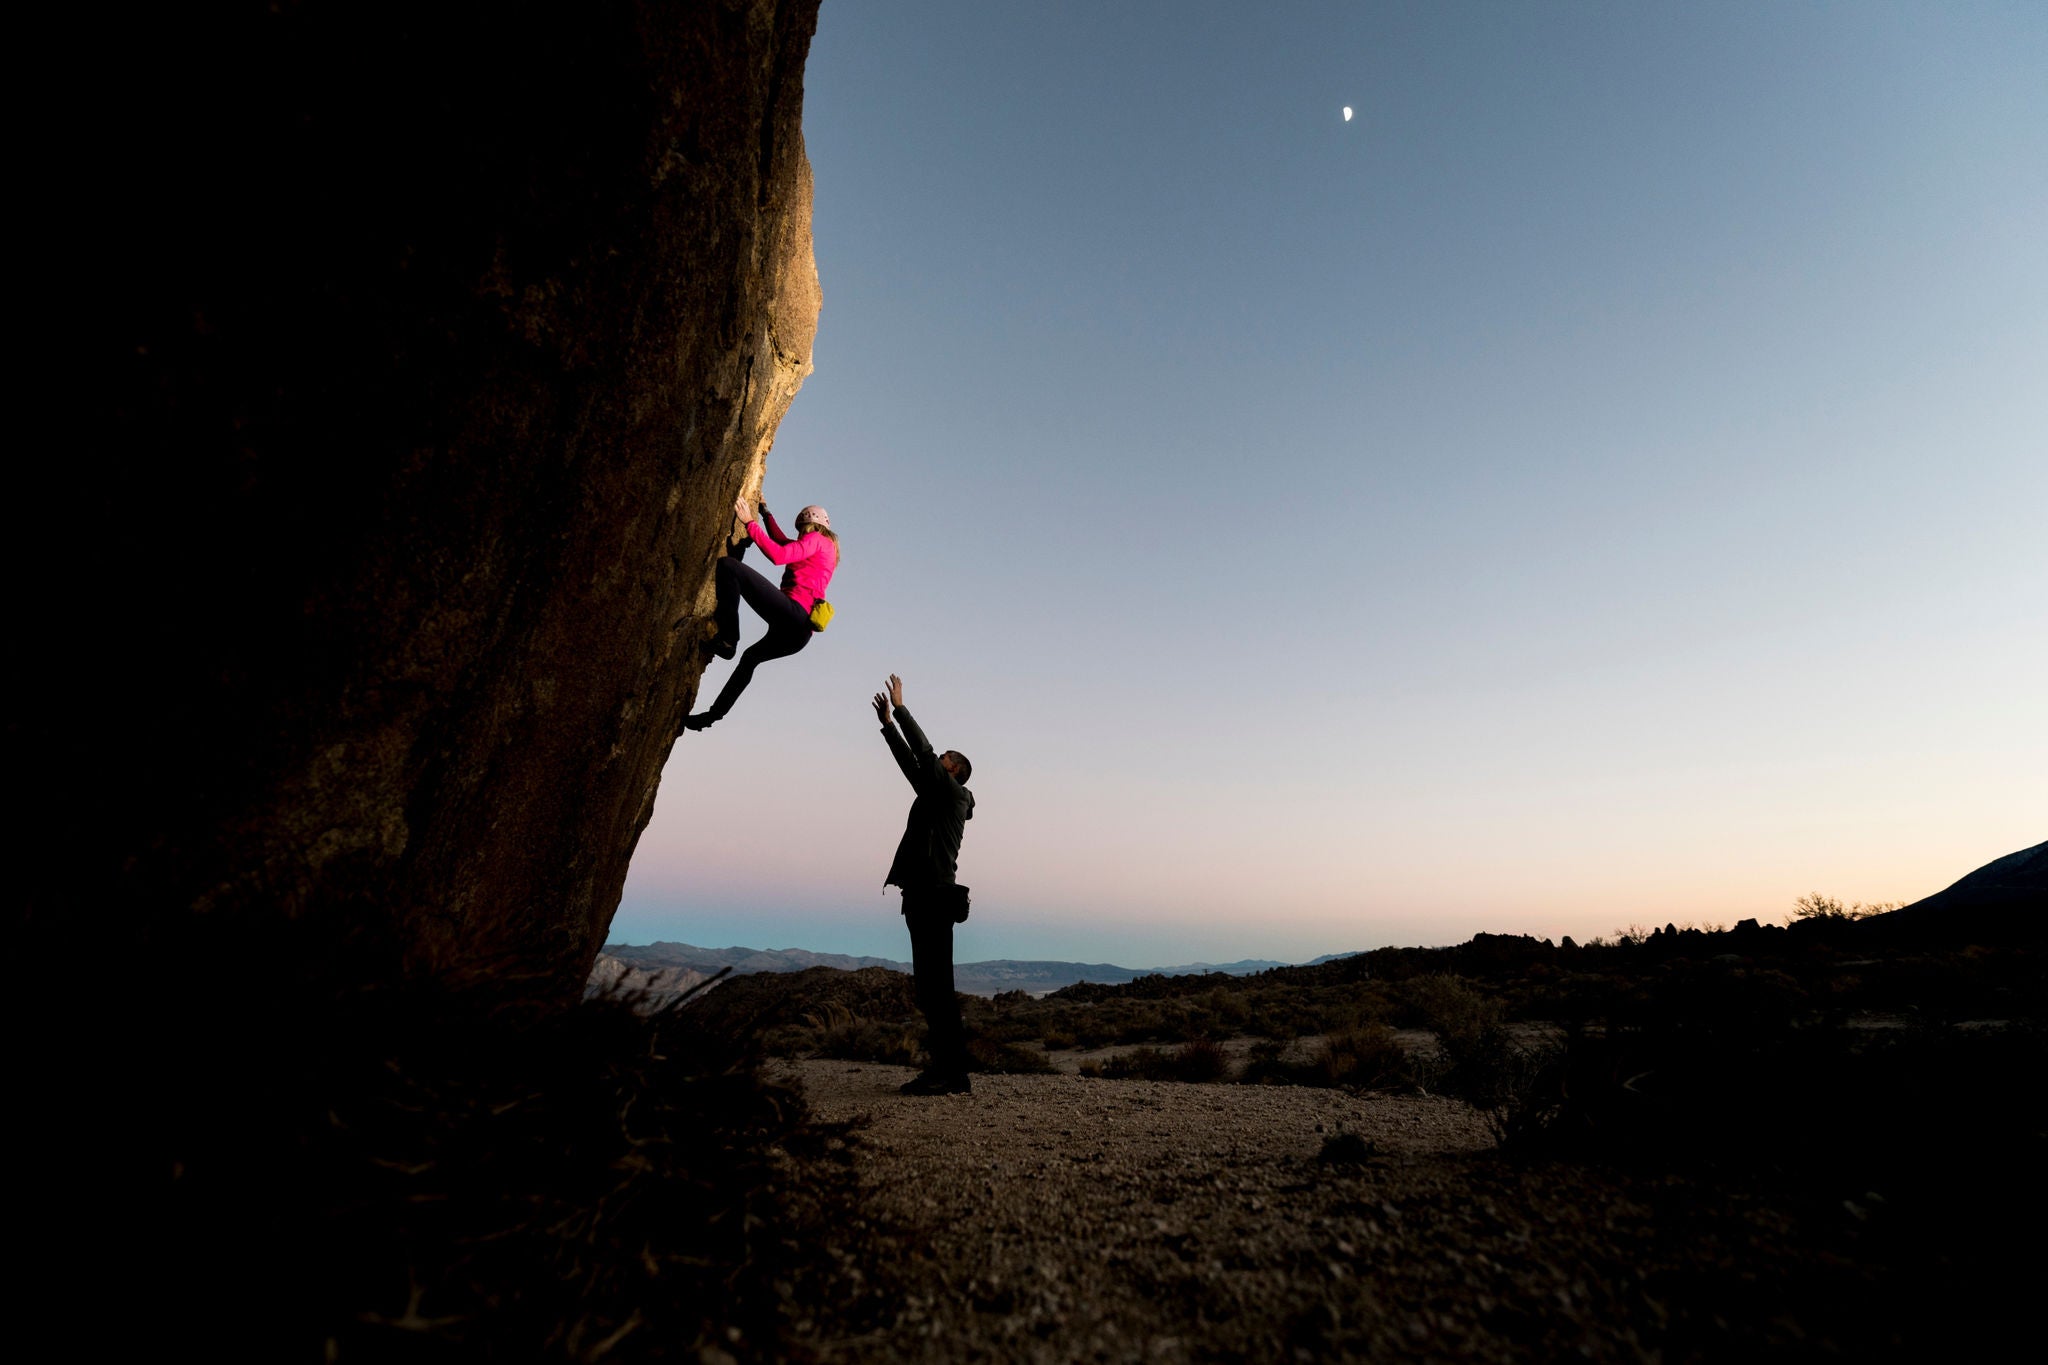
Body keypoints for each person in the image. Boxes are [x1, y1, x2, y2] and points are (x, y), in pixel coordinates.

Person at [871, 673, 976, 1095]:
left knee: (937, 990)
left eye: (946, 758)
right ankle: (950, 1071)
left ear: (955, 771)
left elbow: (924, 754)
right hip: (921, 896)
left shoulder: (954, 797)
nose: (939, 759)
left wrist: (901, 707)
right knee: (930, 990)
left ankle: (950, 1073)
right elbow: (912, 765)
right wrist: (888, 726)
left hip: (934, 897)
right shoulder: (933, 794)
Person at [681, 495, 839, 731]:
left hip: (794, 614)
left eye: (801, 530)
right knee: (750, 659)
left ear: (811, 526)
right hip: (799, 634)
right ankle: (710, 717)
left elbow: (778, 555)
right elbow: (781, 541)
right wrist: (765, 512)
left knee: (729, 567)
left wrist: (749, 522)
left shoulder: (816, 540)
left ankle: (728, 637)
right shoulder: (823, 548)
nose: (799, 535)